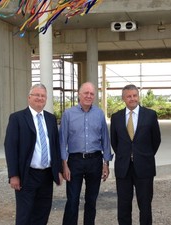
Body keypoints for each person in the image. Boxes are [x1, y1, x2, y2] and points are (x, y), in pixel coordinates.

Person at [4, 83, 63, 225]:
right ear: (29, 97)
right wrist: (14, 175)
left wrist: (58, 170)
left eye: (43, 96)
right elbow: (10, 147)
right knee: (25, 214)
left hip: (47, 175)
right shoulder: (17, 118)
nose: (40, 98)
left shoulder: (50, 119)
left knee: (42, 213)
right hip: (27, 175)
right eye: (37, 95)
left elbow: (55, 146)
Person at [60, 82, 113, 225]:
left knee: (91, 200)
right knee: (72, 200)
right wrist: (64, 165)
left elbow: (105, 140)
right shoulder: (68, 114)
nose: (89, 96)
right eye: (86, 93)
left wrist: (106, 163)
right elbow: (62, 141)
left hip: (95, 160)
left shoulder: (99, 114)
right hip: (74, 161)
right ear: (79, 94)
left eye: (91, 94)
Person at [110, 84, 161, 225]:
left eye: (134, 95)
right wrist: (125, 155)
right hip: (123, 168)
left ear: (138, 96)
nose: (132, 99)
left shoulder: (150, 115)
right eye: (129, 96)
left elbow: (156, 140)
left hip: (144, 167)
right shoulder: (116, 117)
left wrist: (144, 155)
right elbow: (114, 142)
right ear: (123, 98)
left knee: (145, 206)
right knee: (123, 206)